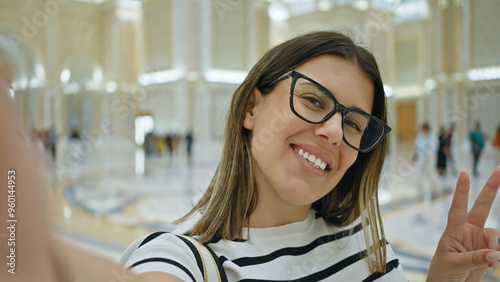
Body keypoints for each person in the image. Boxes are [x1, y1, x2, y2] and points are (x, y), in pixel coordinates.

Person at [1, 31, 500, 282]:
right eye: (312, 100)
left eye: (354, 123)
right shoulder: (188, 261)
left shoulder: (368, 244)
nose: (331, 131)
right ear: (250, 107)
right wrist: (19, 228)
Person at [414, 123, 442, 200]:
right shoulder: (420, 136)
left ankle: (437, 189)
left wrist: (429, 155)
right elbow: (418, 146)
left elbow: (434, 146)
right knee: (418, 174)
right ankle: (420, 192)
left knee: (431, 173)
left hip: (430, 158)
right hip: (421, 158)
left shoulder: (433, 136)